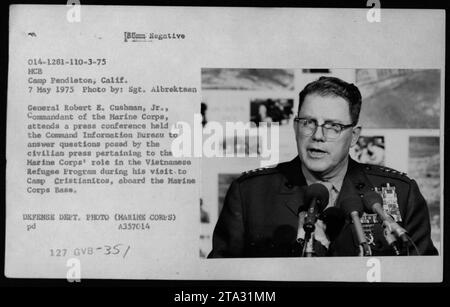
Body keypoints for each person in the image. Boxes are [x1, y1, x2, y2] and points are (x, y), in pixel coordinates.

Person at [208, 76, 437, 257]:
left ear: (354, 135)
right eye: (308, 123)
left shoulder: (402, 193)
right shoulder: (250, 194)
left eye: (333, 126)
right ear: (296, 127)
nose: (317, 136)